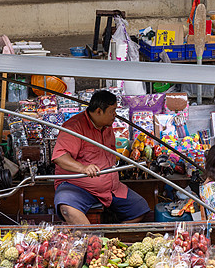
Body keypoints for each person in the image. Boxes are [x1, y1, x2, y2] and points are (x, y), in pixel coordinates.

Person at [51, 90, 150, 224]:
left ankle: (113, 239)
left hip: (111, 189)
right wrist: (83, 168)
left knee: (141, 209)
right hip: (78, 187)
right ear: (98, 111)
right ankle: (92, 240)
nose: (115, 115)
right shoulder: (74, 127)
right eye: (112, 111)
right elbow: (60, 157)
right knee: (67, 209)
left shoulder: (106, 125)